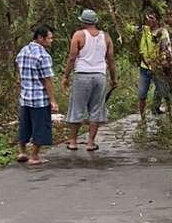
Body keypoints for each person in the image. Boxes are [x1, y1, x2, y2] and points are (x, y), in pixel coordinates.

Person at [62, 9, 117, 151]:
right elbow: (110, 59)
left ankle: (73, 141)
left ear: (82, 21)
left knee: (77, 108)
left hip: (82, 75)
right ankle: (90, 142)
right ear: (95, 22)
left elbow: (72, 57)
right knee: (96, 109)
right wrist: (113, 78)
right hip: (100, 76)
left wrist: (66, 76)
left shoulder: (79, 35)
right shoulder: (106, 37)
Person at [15, 25, 59, 165]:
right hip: (39, 97)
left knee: (25, 125)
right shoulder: (43, 55)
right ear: (40, 38)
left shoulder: (23, 51)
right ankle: (34, 156)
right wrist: (52, 100)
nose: (51, 41)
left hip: (25, 95)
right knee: (40, 126)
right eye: (49, 38)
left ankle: (22, 152)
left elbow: (20, 73)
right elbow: (47, 80)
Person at [138, 13, 172, 119]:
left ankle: (170, 114)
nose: (149, 21)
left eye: (152, 18)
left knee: (164, 91)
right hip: (144, 67)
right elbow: (129, 29)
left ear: (157, 20)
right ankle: (142, 118)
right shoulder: (144, 30)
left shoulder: (163, 32)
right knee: (142, 94)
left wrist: (163, 61)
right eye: (148, 18)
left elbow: (166, 48)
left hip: (158, 67)